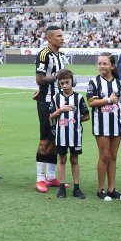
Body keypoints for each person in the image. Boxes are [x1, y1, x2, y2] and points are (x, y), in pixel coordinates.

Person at [86, 53, 121, 201]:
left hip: (116, 126)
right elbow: (91, 103)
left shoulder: (120, 84)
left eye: (104, 63)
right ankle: (101, 189)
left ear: (112, 66)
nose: (101, 66)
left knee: (113, 156)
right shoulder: (93, 82)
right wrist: (109, 100)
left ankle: (112, 189)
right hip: (101, 126)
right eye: (99, 63)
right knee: (104, 156)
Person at [34, 24, 66, 192]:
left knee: (55, 140)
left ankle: (51, 177)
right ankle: (40, 179)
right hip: (47, 102)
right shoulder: (44, 55)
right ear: (49, 38)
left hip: (60, 101)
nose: (62, 38)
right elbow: (39, 79)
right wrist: (57, 76)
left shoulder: (61, 55)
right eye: (58, 36)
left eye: (62, 35)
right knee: (45, 139)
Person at [50, 68, 88, 199]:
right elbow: (51, 116)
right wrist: (60, 111)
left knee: (74, 160)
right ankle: (61, 188)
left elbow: (86, 116)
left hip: (75, 135)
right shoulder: (56, 98)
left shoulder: (78, 97)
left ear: (73, 82)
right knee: (62, 159)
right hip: (60, 136)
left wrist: (75, 120)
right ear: (59, 84)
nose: (65, 85)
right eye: (62, 83)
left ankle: (76, 188)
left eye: (67, 82)